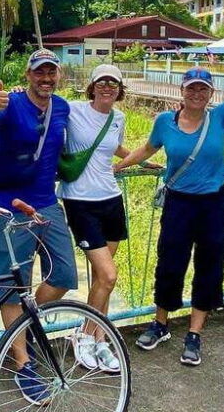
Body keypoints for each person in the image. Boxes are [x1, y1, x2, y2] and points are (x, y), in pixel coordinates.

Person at [114, 52, 224, 367]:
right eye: (192, 89)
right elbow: (148, 148)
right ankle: (160, 323)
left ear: (211, 93)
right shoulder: (164, 122)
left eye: (203, 89)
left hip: (213, 203)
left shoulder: (220, 117)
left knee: (209, 265)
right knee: (170, 263)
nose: (197, 94)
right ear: (182, 91)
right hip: (178, 203)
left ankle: (194, 333)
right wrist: (120, 165)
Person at [0, 48, 76, 404]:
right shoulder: (10, 102)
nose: (46, 78)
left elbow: (97, 128)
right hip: (6, 207)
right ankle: (22, 364)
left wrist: (125, 156)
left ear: (58, 75)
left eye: (51, 72)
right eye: (39, 72)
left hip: (46, 203)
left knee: (64, 274)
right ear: (28, 74)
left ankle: (22, 324)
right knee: (9, 287)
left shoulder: (63, 107)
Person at [58, 64, 162, 373]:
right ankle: (85, 336)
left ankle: (98, 338)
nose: (107, 87)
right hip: (80, 202)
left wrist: (136, 159)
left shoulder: (118, 117)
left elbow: (112, 146)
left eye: (113, 83)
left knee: (102, 278)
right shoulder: (73, 110)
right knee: (109, 275)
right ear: (91, 86)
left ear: (119, 89)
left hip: (111, 200)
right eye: (101, 82)